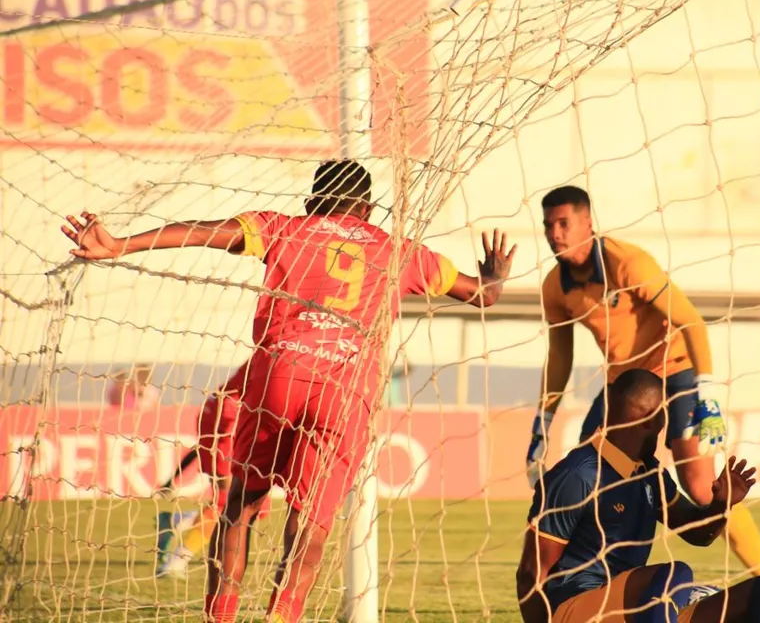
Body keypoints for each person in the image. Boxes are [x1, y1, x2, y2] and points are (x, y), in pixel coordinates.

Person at [61, 159, 517, 623]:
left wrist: (120, 244)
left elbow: (202, 231)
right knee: (311, 523)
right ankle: (283, 616)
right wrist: (495, 273)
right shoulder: (400, 251)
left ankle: (220, 615)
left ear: (313, 201)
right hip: (346, 388)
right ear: (368, 207)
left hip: (281, 372)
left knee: (239, 504)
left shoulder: (286, 229)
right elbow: (484, 295)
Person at [526, 185, 760, 582]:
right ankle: (589, 578)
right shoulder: (554, 287)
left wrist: (708, 396)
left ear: (587, 223)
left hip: (675, 371)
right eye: (548, 225)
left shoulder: (628, 264)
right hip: (625, 386)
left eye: (564, 223)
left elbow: (691, 321)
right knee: (585, 469)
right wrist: (542, 422)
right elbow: (560, 356)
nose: (554, 233)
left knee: (701, 489)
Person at [517, 369, 760, 623]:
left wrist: (720, 505)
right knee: (675, 575)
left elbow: (697, 535)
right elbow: (531, 573)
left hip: (638, 609)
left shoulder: (649, 472)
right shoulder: (578, 475)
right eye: (667, 412)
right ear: (651, 421)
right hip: (575, 608)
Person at [153, 364, 270, 579]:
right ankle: (176, 561)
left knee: (258, 508)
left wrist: (172, 479)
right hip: (228, 418)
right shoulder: (274, 355)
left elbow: (200, 447)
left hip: (221, 413)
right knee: (226, 501)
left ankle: (176, 520)